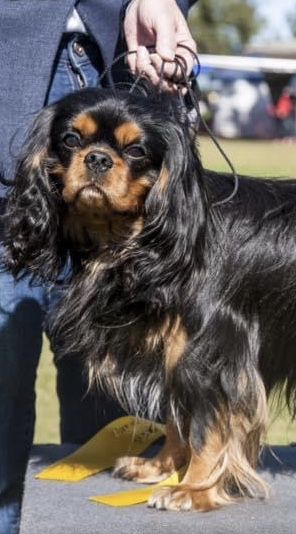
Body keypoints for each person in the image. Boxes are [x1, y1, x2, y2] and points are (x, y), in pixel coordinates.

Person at [0, 2, 197, 532]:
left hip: (136, 78)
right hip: (7, 79)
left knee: (123, 415)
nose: (95, 156)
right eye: (79, 146)